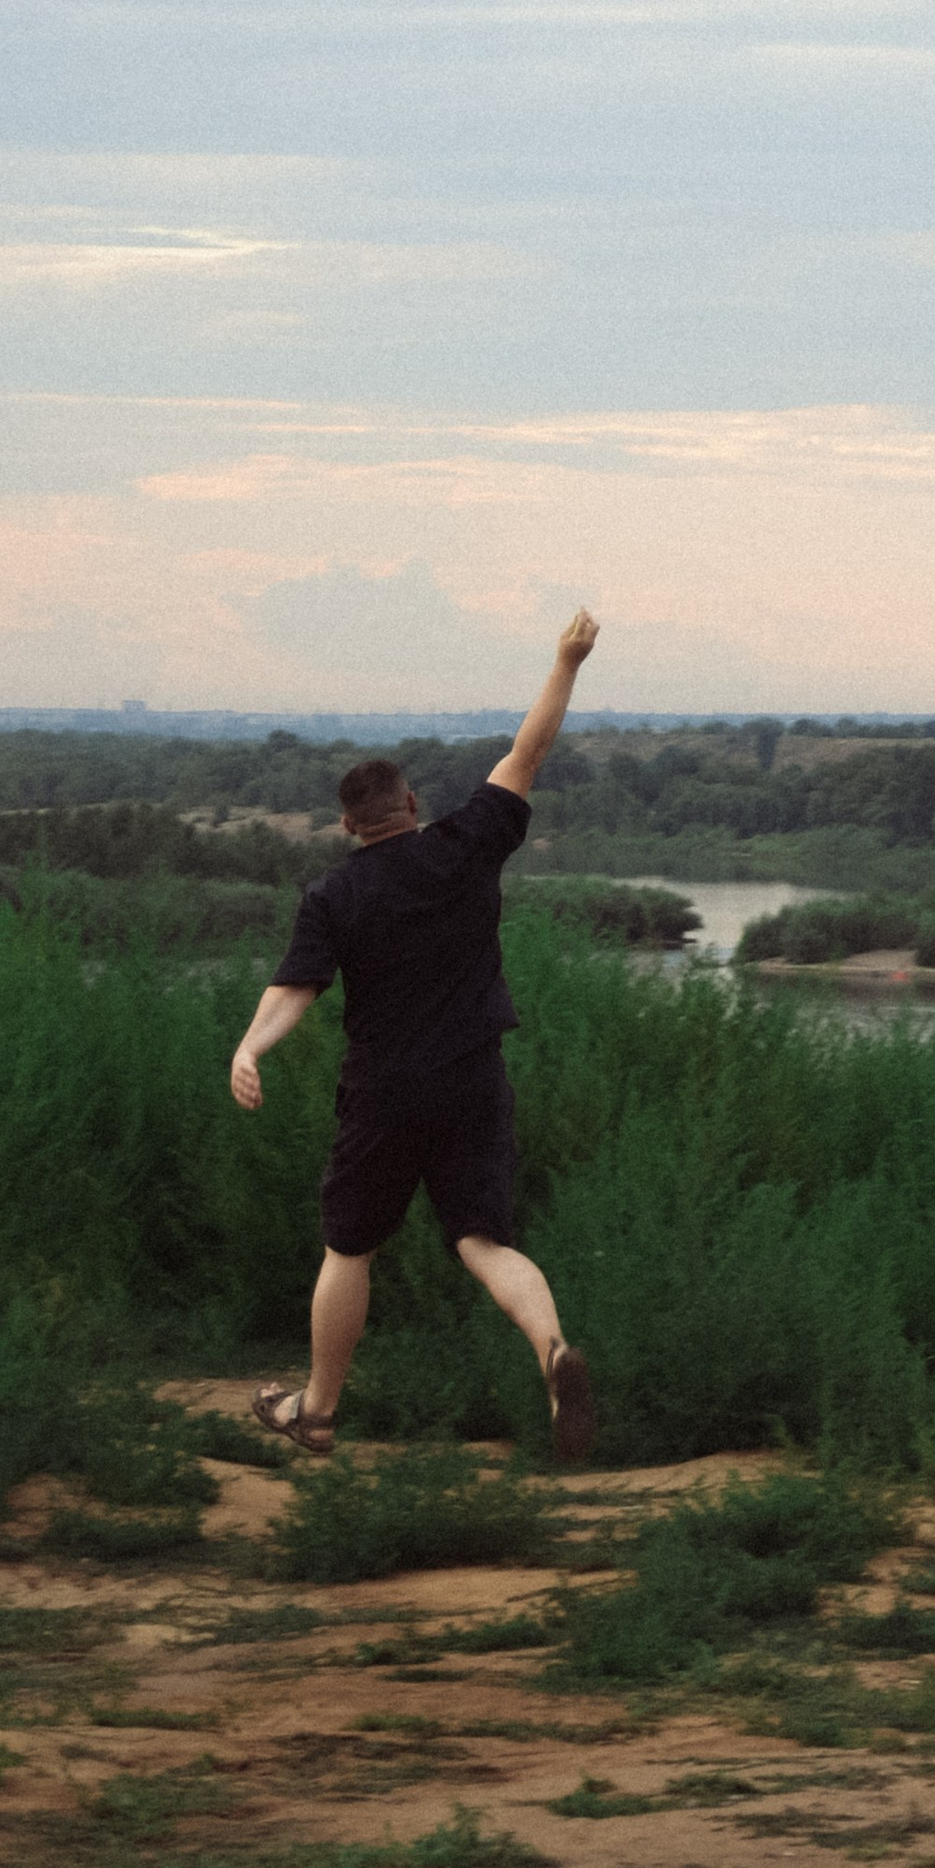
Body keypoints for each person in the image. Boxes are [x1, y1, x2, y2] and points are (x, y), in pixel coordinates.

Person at [228, 609, 602, 1462]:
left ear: (350, 826)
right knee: (483, 1239)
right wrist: (565, 661)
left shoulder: (336, 894)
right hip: (473, 1074)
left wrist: (251, 1049)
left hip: (386, 1090)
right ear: (414, 805)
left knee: (350, 1246)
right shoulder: (465, 845)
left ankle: (316, 1414)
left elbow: (297, 989)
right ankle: (552, 1349)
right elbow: (527, 752)